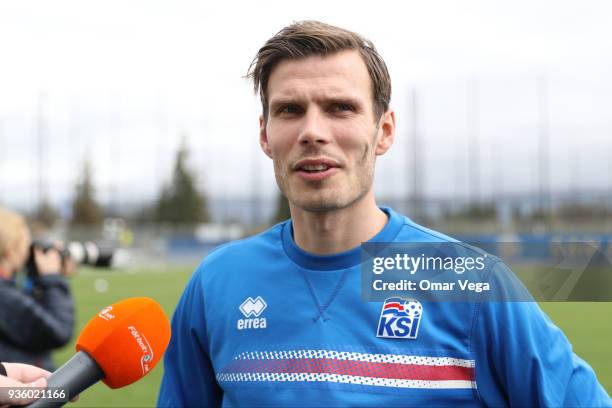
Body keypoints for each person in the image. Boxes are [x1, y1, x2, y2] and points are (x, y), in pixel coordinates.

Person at [158, 21, 611, 406]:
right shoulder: (216, 283)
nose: (313, 132)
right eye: (290, 110)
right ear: (265, 134)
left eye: (341, 108)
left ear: (384, 132)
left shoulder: (471, 285)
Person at [0, 207, 75, 372]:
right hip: (17, 392)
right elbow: (58, 331)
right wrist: (52, 279)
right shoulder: (4, 295)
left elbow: (30, 310)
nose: (30, 252)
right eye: (27, 245)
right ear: (10, 250)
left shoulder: (7, 287)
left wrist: (41, 278)